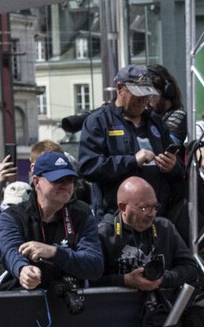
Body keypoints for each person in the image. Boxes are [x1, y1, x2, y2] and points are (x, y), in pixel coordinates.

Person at [74, 64, 179, 215]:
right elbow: (89, 167)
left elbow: (179, 170)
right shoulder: (98, 121)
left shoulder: (155, 121)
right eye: (137, 94)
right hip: (115, 218)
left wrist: (173, 166)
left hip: (155, 216)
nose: (143, 100)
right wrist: (132, 160)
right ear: (119, 88)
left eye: (147, 94)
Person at [0, 151, 105, 292]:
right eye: (58, 179)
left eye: (70, 179)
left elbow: (95, 266)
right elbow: (9, 251)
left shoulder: (82, 218)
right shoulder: (11, 216)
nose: (66, 185)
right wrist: (23, 269)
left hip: (68, 306)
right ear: (37, 182)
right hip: (19, 301)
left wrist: (54, 252)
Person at [97, 174, 202, 294]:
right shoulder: (105, 233)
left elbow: (191, 269)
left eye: (155, 207)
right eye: (144, 208)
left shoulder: (164, 227)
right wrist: (124, 281)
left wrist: (162, 279)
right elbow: (90, 280)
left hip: (164, 308)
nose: (151, 213)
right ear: (123, 207)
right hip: (117, 308)